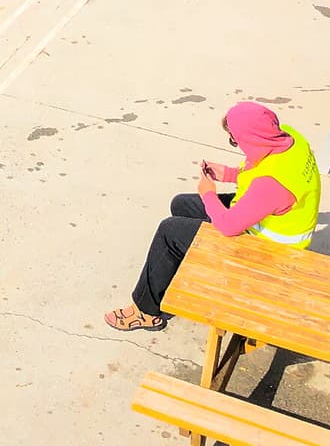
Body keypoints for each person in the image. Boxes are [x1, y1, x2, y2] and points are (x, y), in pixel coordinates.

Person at [107, 100, 318, 332]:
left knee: (169, 231)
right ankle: (183, 270)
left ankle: (145, 311)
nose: (236, 145)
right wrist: (228, 174)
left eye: (235, 140)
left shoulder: (274, 184)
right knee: (182, 205)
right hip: (264, 216)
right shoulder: (289, 139)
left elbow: (229, 225)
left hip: (270, 253)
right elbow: (263, 172)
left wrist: (208, 194)